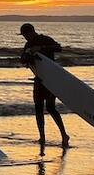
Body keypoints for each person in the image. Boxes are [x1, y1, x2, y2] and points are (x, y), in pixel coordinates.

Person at [19, 23, 69, 151]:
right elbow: (22, 59)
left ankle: (64, 135)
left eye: (25, 35)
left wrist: (40, 48)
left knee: (51, 108)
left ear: (30, 32)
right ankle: (42, 137)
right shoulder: (28, 45)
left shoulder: (45, 39)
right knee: (38, 108)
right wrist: (27, 57)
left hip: (51, 80)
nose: (25, 38)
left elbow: (58, 48)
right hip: (39, 79)